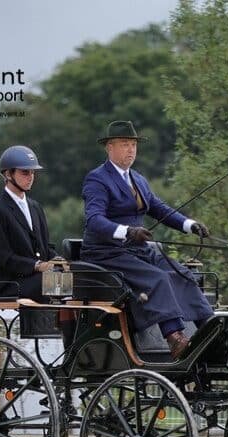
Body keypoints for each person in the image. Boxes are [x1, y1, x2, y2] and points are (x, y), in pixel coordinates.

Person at [81, 120, 215, 360]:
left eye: (133, 144)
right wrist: (127, 231)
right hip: (106, 252)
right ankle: (174, 337)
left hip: (136, 250)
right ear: (109, 148)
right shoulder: (97, 179)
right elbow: (94, 220)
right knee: (158, 278)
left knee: (182, 273)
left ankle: (209, 330)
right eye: (124, 144)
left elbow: (158, 208)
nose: (131, 150)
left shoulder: (138, 179)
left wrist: (189, 225)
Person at [0, 145, 58, 300]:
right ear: (8, 174)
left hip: (34, 280)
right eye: (25, 172)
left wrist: (59, 261)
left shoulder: (35, 207)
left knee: (74, 280)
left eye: (32, 172)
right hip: (9, 283)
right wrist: (37, 265)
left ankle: (64, 325)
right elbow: (2, 257)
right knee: (52, 282)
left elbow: (45, 247)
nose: (31, 177)